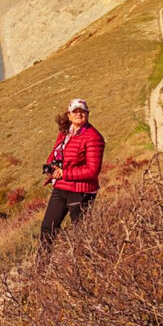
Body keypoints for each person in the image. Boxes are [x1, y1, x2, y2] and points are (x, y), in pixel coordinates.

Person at [40, 98, 105, 247]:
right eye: (75, 111)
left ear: (88, 114)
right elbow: (55, 153)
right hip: (61, 187)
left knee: (80, 233)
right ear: (69, 115)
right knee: (47, 228)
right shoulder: (64, 133)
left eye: (82, 111)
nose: (79, 114)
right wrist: (51, 167)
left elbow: (92, 170)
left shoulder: (94, 138)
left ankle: (83, 265)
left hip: (81, 191)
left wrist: (64, 173)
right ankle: (42, 266)